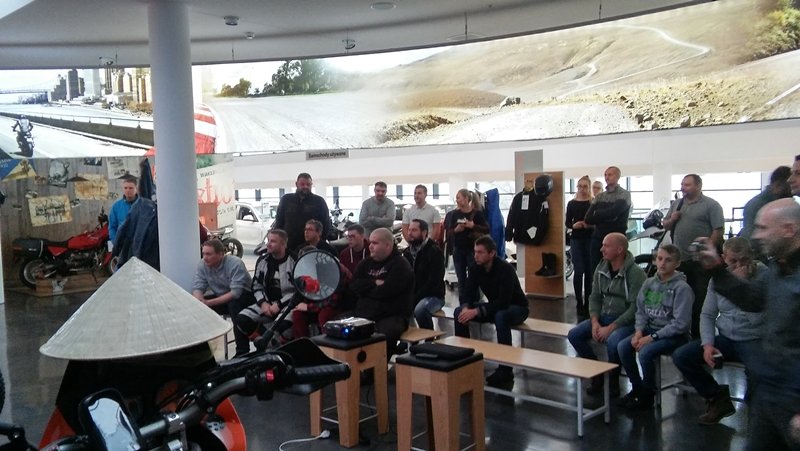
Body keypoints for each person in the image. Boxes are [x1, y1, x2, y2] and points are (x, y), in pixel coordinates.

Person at [698, 198, 800, 450]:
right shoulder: (779, 267)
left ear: (789, 229)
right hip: (771, 388)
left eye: (763, 228)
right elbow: (753, 299)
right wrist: (717, 269)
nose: (755, 235)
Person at [671, 237, 765, 425]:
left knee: (758, 372)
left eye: (744, 260)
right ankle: (716, 397)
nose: (738, 265)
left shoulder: (764, 276)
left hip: (755, 338)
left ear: (751, 257)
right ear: (724, 258)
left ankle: (755, 412)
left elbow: (763, 318)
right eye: (733, 261)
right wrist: (707, 344)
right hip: (727, 337)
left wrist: (741, 289)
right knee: (682, 356)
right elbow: (707, 315)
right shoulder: (719, 278)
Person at [567, 232, 646, 397]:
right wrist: (595, 321)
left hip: (626, 321)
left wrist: (611, 328)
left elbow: (635, 308)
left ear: (620, 250)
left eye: (606, 246)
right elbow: (594, 297)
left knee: (614, 341)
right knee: (574, 335)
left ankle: (613, 379)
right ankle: (598, 373)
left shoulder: (636, 273)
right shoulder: (601, 267)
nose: (601, 249)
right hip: (604, 317)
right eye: (602, 245)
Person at [618, 244, 693, 410]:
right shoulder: (649, 283)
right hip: (650, 329)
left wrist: (651, 338)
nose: (662, 263)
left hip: (675, 335)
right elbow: (641, 311)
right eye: (660, 259)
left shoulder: (682, 289)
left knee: (646, 352)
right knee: (623, 346)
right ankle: (637, 387)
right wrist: (638, 332)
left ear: (677, 264)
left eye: (668, 260)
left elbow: (680, 324)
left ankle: (648, 394)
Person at [454, 235, 529, 387]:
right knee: (459, 312)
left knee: (501, 316)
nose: (476, 256)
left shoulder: (505, 269)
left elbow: (504, 301)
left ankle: (506, 369)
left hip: (517, 308)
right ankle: (464, 361)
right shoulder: (475, 268)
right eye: (475, 252)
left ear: (492, 253)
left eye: (480, 252)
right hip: (496, 306)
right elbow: (467, 292)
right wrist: (466, 307)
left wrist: (477, 311)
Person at [661, 174, 724, 338]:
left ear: (698, 186)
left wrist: (707, 250)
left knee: (700, 299)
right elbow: (665, 224)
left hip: (700, 262)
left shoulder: (711, 205)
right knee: (679, 298)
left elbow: (718, 230)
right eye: (682, 184)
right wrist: (672, 219)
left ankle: (699, 336)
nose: (683, 188)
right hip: (680, 261)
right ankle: (680, 333)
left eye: (687, 185)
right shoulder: (677, 204)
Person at [346, 227, 414, 359]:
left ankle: (377, 368)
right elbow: (353, 285)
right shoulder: (366, 263)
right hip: (364, 312)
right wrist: (373, 283)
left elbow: (386, 292)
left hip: (392, 315)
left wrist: (364, 291)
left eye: (375, 243)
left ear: (388, 245)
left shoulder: (401, 265)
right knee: (335, 325)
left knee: (382, 336)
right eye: (370, 242)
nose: (370, 246)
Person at [192, 239, 255, 357]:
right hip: (222, 297)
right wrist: (199, 301)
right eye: (203, 253)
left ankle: (242, 351)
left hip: (245, 298)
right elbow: (198, 286)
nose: (205, 258)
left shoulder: (235, 263)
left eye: (208, 254)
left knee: (234, 305)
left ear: (221, 254)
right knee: (194, 307)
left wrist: (208, 303)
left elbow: (235, 293)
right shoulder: (202, 264)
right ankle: (201, 351)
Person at [234, 229, 296, 349]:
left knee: (282, 325)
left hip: (289, 304)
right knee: (242, 319)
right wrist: (263, 303)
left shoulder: (294, 261)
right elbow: (256, 285)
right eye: (268, 240)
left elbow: (298, 290)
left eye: (273, 241)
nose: (268, 244)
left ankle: (271, 346)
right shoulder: (263, 261)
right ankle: (261, 342)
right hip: (267, 303)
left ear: (283, 244)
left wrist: (279, 304)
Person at [291, 245, 349, 339]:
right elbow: (302, 294)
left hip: (341, 304)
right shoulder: (307, 272)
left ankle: (327, 344)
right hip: (319, 304)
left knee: (324, 315)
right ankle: (303, 344)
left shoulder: (333, 269)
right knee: (298, 314)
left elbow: (333, 301)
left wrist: (308, 307)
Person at [584, 166, 632, 272]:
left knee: (615, 270)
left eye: (610, 174)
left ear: (617, 176)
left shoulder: (624, 194)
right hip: (598, 239)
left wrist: (597, 213)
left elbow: (614, 213)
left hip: (616, 240)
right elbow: (588, 218)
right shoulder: (599, 196)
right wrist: (607, 216)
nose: (607, 177)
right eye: (605, 175)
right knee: (595, 271)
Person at [446, 189, 489, 298]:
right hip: (458, 249)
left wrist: (473, 226)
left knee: (474, 276)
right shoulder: (454, 214)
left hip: (473, 250)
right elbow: (449, 232)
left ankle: (475, 300)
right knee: (461, 277)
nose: (457, 200)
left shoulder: (477, 214)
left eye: (458, 198)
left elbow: (486, 229)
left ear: (466, 198)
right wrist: (456, 230)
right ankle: (463, 302)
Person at [403, 219, 445, 330]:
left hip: (433, 296)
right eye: (409, 230)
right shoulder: (407, 252)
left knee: (420, 310)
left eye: (414, 230)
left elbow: (434, 281)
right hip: (413, 295)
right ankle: (409, 334)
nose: (410, 233)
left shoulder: (434, 251)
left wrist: (414, 298)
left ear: (424, 232)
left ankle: (429, 336)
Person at [274, 173, 331, 251]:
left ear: (311, 185)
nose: (305, 187)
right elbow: (279, 221)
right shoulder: (286, 200)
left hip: (310, 245)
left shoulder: (319, 201)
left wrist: (320, 242)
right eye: (302, 184)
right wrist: (278, 240)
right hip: (289, 243)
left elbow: (326, 223)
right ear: (296, 184)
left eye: (308, 184)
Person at [565, 175, 595, 320]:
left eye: (585, 186)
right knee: (579, 271)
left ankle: (588, 301)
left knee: (589, 272)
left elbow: (598, 221)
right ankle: (579, 302)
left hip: (590, 239)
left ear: (589, 188)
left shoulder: (593, 203)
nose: (582, 189)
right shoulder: (571, 203)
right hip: (576, 239)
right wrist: (574, 225)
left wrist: (588, 225)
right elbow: (567, 222)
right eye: (580, 186)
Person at [740, 166, 791, 239]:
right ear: (777, 185)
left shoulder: (777, 203)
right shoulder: (757, 205)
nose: (792, 191)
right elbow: (752, 238)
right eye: (789, 186)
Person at [109, 178, 138, 247]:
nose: (128, 190)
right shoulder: (116, 206)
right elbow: (112, 227)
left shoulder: (143, 205)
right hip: (123, 246)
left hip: (139, 246)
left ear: (136, 189)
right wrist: (116, 242)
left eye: (131, 188)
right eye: (125, 188)